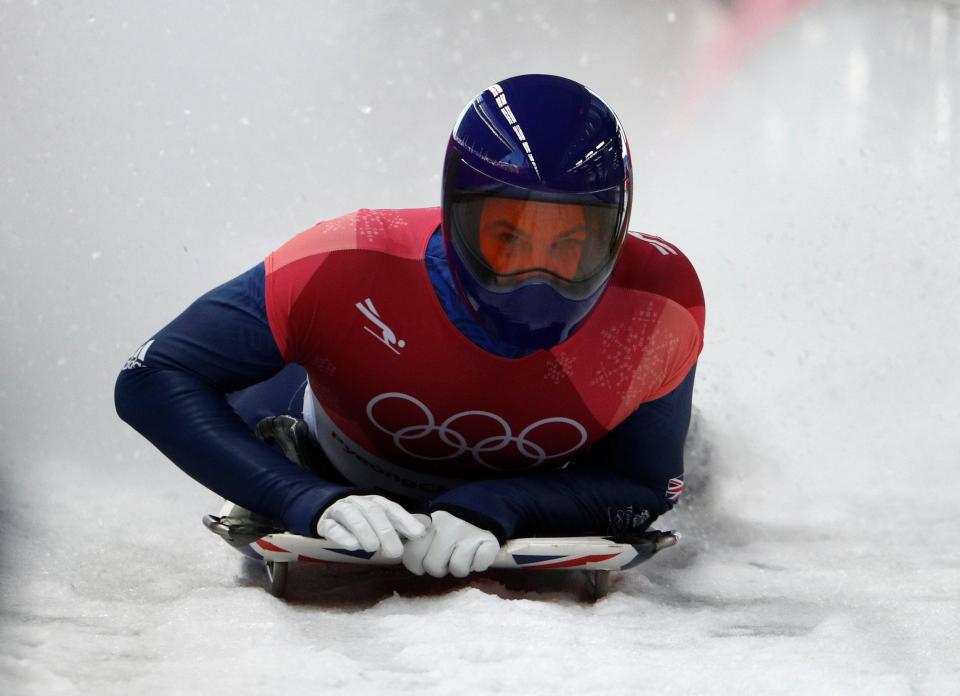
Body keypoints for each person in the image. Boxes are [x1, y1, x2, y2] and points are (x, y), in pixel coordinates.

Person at [115, 74, 705, 580]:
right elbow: (152, 376)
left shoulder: (661, 305)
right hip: (323, 439)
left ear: (618, 230)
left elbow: (646, 488)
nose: (535, 278)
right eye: (507, 238)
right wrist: (301, 495)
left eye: (572, 244)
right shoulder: (347, 260)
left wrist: (498, 503)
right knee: (254, 396)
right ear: (454, 215)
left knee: (695, 444)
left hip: (540, 478)